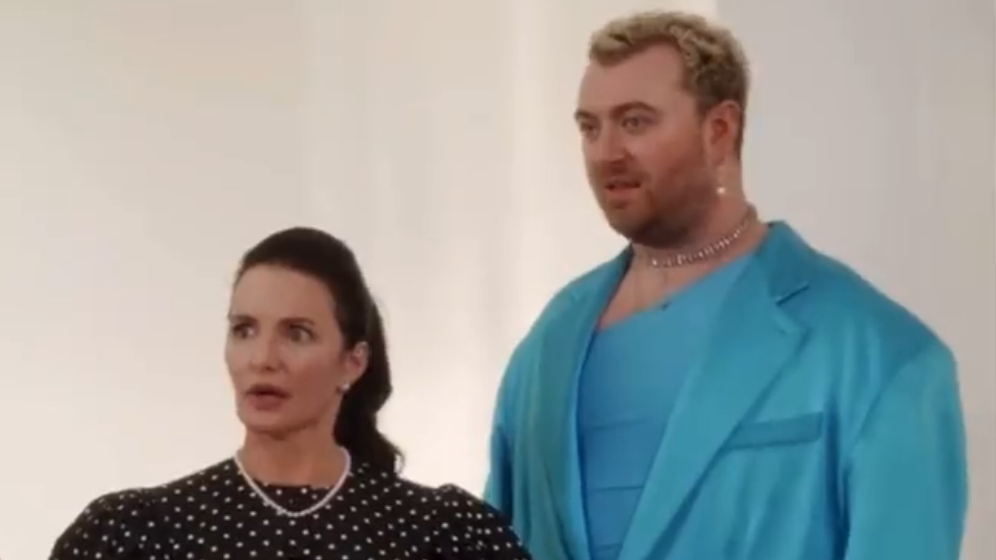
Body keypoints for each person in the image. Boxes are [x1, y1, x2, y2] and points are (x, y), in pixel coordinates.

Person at [484, 10, 967, 560]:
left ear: (720, 131)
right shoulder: (550, 341)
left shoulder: (882, 357)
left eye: (635, 122)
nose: (606, 152)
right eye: (589, 127)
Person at [50, 227, 531, 560]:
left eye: (297, 333)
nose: (262, 358)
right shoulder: (135, 535)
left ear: (353, 360)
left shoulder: (443, 535)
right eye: (244, 329)